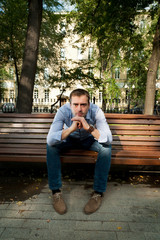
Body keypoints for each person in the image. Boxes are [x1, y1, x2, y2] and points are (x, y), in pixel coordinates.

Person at [47, 88, 112, 215]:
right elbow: (50, 139)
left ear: (89, 104)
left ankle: (98, 193)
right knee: (51, 147)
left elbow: (109, 139)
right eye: (75, 104)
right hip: (69, 139)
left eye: (83, 104)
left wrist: (89, 128)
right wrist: (71, 129)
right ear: (70, 104)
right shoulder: (63, 111)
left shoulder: (96, 111)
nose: (79, 109)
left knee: (106, 149)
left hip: (89, 139)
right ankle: (56, 192)